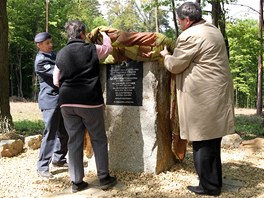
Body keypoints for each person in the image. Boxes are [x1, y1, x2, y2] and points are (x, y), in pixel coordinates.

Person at [160, 2, 235, 196]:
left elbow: (176, 65)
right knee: (212, 143)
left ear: (187, 20)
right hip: (215, 95)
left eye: (179, 20)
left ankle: (209, 187)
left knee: (202, 141)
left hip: (203, 98)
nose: (179, 23)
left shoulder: (190, 36)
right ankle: (214, 182)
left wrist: (166, 56)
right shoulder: (211, 29)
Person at [53, 19, 117, 193]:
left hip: (66, 102)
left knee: (74, 141)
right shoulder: (91, 49)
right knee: (98, 138)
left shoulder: (60, 54)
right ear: (82, 34)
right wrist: (105, 36)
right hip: (89, 101)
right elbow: (108, 49)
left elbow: (56, 80)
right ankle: (104, 178)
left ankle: (76, 182)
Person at [34, 32, 69, 179]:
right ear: (39, 45)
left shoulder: (52, 55)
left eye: (50, 42)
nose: (51, 45)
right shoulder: (41, 61)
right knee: (50, 134)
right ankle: (42, 166)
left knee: (64, 131)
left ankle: (59, 159)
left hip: (60, 100)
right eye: (47, 43)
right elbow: (58, 73)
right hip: (50, 102)